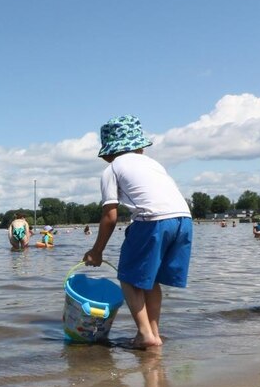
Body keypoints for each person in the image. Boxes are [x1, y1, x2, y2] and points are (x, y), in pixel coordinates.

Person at [82, 115, 193, 349]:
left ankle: (145, 334)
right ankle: (154, 333)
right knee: (150, 281)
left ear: (108, 152)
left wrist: (97, 250)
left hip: (152, 221)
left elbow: (109, 216)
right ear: (139, 146)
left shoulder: (112, 169)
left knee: (128, 278)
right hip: (184, 219)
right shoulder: (153, 164)